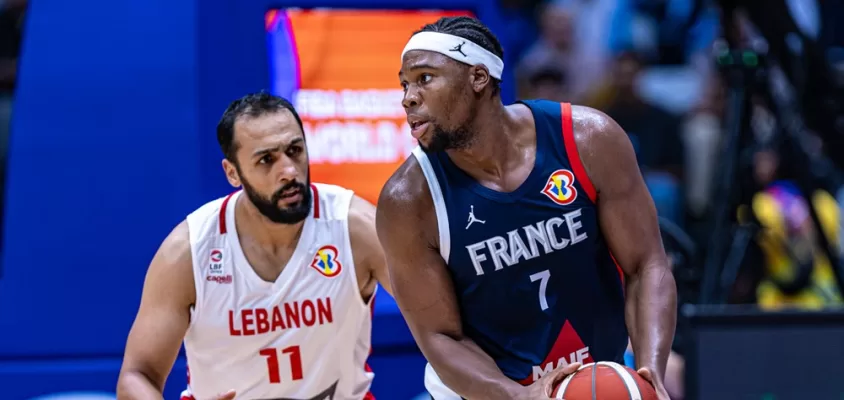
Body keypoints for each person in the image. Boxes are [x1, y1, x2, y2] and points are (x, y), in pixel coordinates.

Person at [377, 16, 676, 400]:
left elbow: (646, 264)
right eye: (404, 84)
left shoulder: (588, 141)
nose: (408, 97)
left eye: (424, 78)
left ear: (479, 78)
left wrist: (649, 371)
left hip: (594, 378)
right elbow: (440, 336)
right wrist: (515, 395)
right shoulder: (407, 201)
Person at [117, 93, 390, 400]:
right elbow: (137, 375)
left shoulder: (356, 228)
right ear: (232, 172)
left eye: (295, 151)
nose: (288, 171)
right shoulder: (189, 251)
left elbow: (442, 325)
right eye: (266, 159)